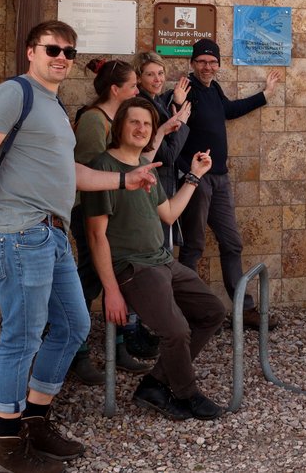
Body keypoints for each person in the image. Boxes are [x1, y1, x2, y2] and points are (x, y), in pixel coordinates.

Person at [0, 20, 160, 472]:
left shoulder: (51, 104)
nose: (62, 57)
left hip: (50, 234)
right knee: (21, 337)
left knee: (72, 326)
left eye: (69, 51)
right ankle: (6, 445)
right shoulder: (15, 94)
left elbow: (72, 176)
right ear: (31, 51)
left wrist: (127, 179)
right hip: (17, 234)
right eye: (53, 49)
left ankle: (35, 419)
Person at [84, 98, 228, 421]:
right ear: (119, 125)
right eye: (134, 122)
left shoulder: (145, 166)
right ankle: (186, 393)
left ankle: (154, 382)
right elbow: (96, 236)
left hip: (163, 261)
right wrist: (112, 290)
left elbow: (170, 214)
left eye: (147, 124)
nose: (141, 128)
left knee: (212, 311)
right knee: (176, 330)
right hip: (133, 268)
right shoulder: (103, 168)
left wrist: (194, 175)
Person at [176, 38, 283, 330]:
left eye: (212, 62)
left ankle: (244, 311)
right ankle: (188, 314)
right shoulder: (186, 91)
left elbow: (230, 110)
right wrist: (190, 173)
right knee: (193, 247)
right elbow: (174, 127)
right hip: (196, 180)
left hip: (220, 179)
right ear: (192, 64)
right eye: (202, 62)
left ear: (218, 65)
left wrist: (265, 94)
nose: (207, 67)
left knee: (232, 243)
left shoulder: (213, 89)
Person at [69, 59, 152, 382]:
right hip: (91, 213)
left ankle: (116, 349)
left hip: (113, 212)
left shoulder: (117, 119)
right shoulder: (94, 121)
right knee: (90, 280)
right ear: (115, 90)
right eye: (133, 85)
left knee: (113, 280)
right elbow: (90, 174)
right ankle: (77, 354)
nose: (138, 89)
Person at [133, 50, 193, 208]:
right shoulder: (144, 108)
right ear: (138, 78)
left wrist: (178, 104)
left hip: (162, 180)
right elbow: (167, 156)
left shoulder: (156, 100)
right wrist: (183, 122)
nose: (157, 79)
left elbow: (169, 133)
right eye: (150, 75)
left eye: (160, 73)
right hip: (153, 181)